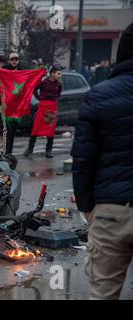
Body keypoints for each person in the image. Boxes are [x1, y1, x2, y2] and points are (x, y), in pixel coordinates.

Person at [71, 22, 133, 300]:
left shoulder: (99, 94)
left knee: (103, 295)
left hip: (111, 212)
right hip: (111, 206)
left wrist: (89, 209)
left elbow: (83, 161)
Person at [24, 66, 62, 158]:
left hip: (52, 107)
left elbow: (59, 93)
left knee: (51, 130)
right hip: (43, 107)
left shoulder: (59, 84)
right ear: (52, 73)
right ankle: (30, 149)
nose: (60, 75)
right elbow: (34, 89)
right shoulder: (44, 82)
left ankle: (48, 151)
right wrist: (39, 98)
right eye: (58, 73)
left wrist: (54, 98)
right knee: (36, 128)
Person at [2, 52, 22, 155]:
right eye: (12, 59)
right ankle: (5, 152)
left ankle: (9, 153)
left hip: (17, 106)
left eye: (16, 59)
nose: (14, 61)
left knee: (13, 130)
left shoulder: (22, 71)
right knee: (7, 130)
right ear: (9, 61)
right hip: (7, 104)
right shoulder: (5, 70)